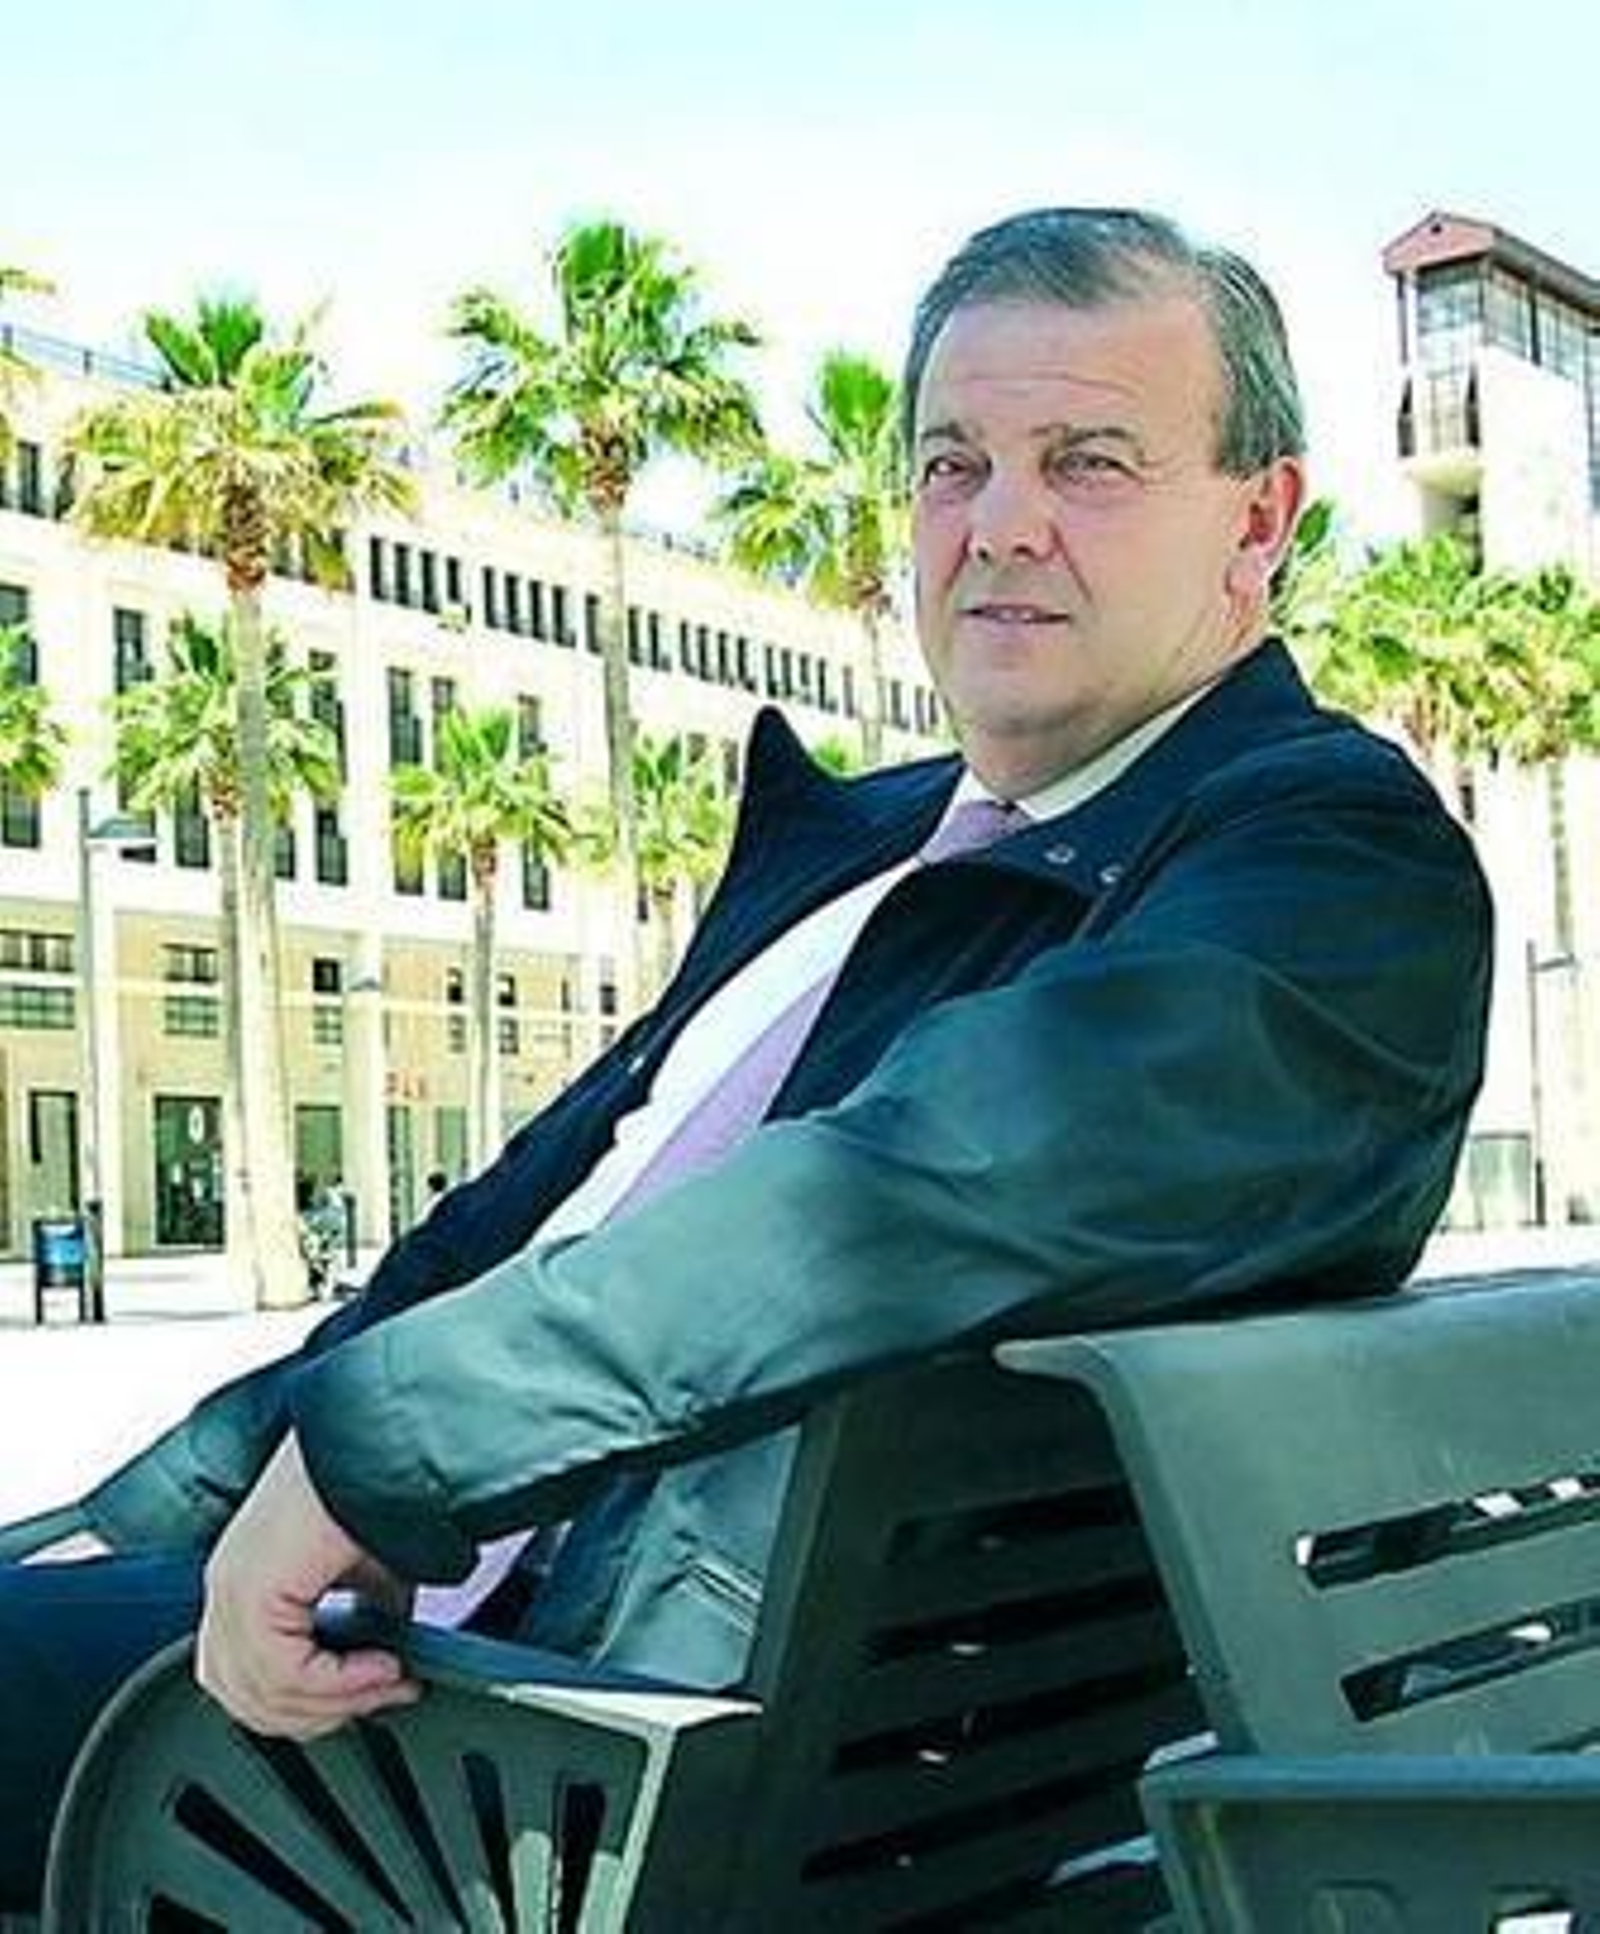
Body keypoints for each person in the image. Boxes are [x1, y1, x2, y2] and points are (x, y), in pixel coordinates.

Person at [0, 206, 1493, 1903]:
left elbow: (933, 1181)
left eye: (1087, 462)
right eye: (952, 466)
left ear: (1257, 519)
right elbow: (517, 1220)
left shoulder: (1322, 867)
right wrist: (189, 1482)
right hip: (490, 1604)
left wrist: (380, 1448)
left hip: (573, 1714)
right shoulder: (860, 850)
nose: (1000, 525)